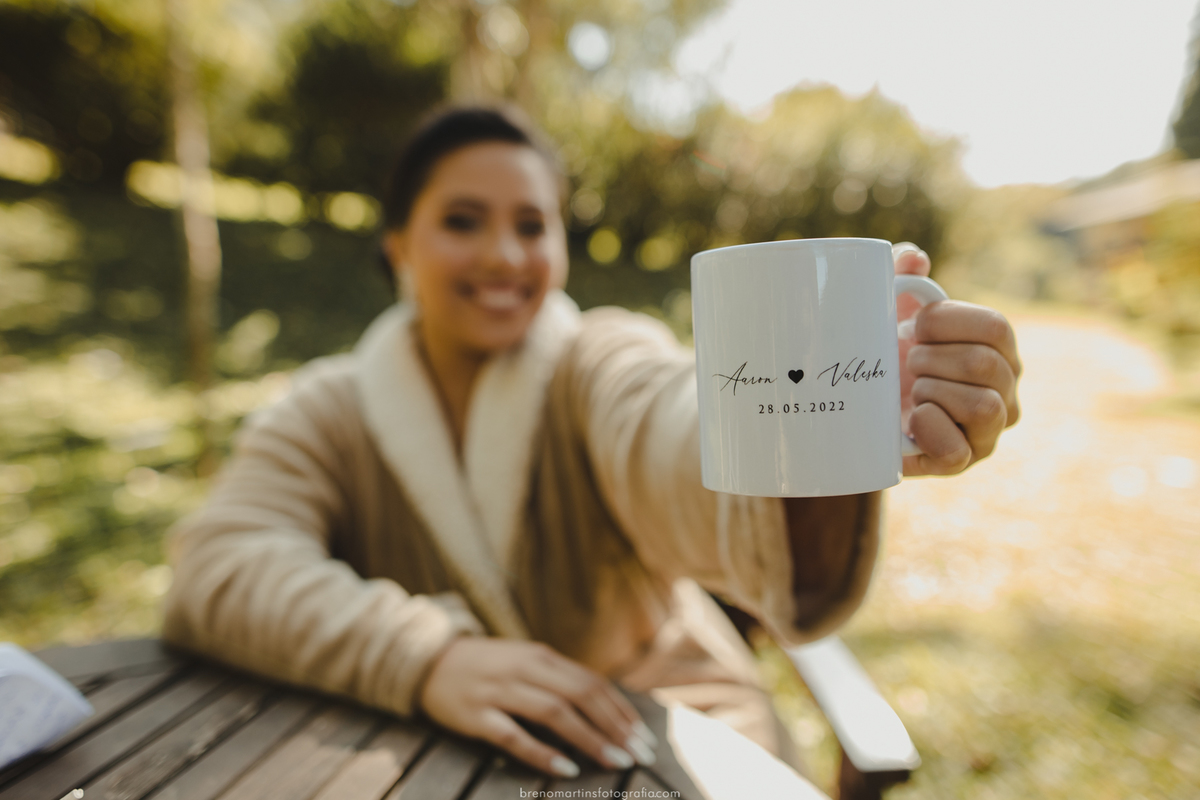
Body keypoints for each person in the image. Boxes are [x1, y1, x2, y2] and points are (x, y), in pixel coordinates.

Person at [161, 105, 1021, 779]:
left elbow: (673, 429)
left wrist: (817, 420)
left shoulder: (597, 361)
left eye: (533, 225)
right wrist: (424, 658)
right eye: (463, 220)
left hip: (669, 726)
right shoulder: (331, 410)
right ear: (397, 248)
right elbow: (220, 562)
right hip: (427, 756)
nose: (505, 254)